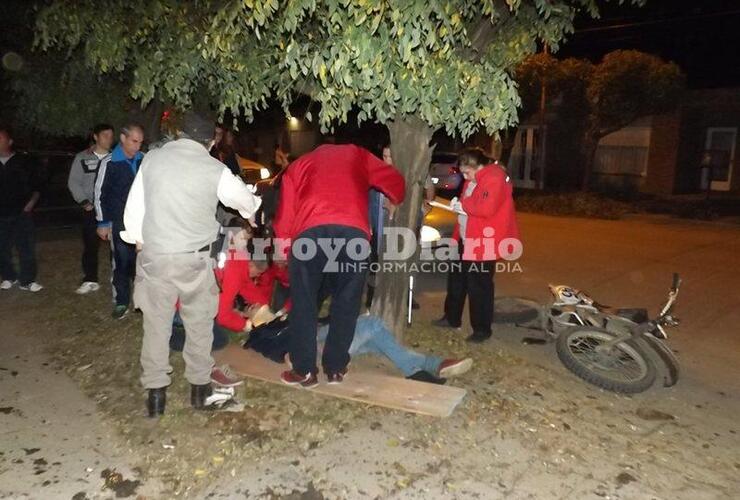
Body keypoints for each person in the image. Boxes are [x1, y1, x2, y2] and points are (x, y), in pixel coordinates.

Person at [121, 112, 261, 417]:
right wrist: (251, 209)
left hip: (156, 257)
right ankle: (200, 392)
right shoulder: (214, 168)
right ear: (211, 141)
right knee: (199, 326)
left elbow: (134, 208)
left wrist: (136, 239)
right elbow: (244, 201)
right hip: (195, 260)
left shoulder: (152, 160)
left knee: (156, 327)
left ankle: (155, 399)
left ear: (179, 134)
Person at [274, 143, 405, 387]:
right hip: (352, 232)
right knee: (347, 300)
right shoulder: (359, 155)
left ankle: (304, 371)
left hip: (309, 231)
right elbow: (393, 179)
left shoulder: (300, 164)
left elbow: (285, 213)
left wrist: (283, 249)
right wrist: (396, 198)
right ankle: (335, 368)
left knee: (304, 301)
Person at [432, 148, 519, 343]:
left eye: (467, 172)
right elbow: (470, 202)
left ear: (478, 166)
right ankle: (451, 318)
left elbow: (486, 208)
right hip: (466, 237)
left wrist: (462, 206)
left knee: (479, 287)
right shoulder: (476, 178)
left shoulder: (494, 177)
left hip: (482, 241)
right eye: (463, 173)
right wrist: (460, 204)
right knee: (456, 281)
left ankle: (481, 329)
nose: (465, 177)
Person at [247, 314, 474, 384]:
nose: (256, 306)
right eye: (251, 307)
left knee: (375, 336)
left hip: (322, 331)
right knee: (372, 324)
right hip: (313, 348)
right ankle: (424, 367)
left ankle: (427, 365)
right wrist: (286, 355)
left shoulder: (283, 314)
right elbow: (267, 347)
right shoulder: (260, 332)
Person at [94, 124, 145, 318]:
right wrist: (102, 222)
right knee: (121, 262)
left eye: (140, 142)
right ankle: (121, 301)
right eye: (134, 141)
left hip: (142, 221)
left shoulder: (143, 160)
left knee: (141, 263)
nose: (138, 146)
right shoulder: (110, 162)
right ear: (123, 138)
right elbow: (100, 193)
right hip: (119, 221)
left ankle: (142, 302)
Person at [68, 123, 114, 294]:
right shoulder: (83, 157)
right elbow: (73, 182)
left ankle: (117, 276)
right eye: (105, 136)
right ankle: (90, 279)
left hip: (111, 210)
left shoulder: (115, 158)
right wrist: (84, 201)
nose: (109, 139)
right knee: (90, 245)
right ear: (96, 137)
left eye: (111, 136)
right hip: (91, 210)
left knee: (116, 245)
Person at [0, 126, 44, 292]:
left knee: (26, 247)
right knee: (2, 248)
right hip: (1, 214)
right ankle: (8, 276)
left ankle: (27, 280)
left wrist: (32, 202)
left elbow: (37, 184)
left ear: (9, 141)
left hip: (22, 212)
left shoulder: (24, 162)